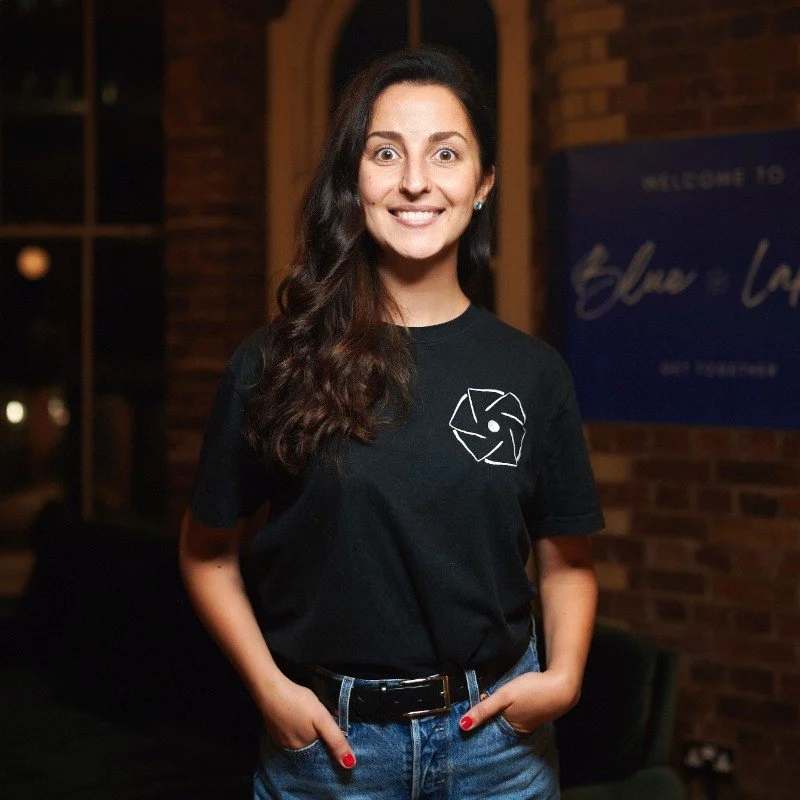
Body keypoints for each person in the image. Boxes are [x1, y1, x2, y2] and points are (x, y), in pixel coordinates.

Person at [179, 46, 605, 800]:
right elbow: (206, 553)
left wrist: (564, 677)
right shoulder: (273, 364)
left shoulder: (534, 373)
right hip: (329, 756)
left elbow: (566, 560)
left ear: (483, 183)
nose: (415, 181)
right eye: (385, 153)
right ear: (353, 181)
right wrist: (270, 690)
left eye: (446, 153)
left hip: (498, 753)